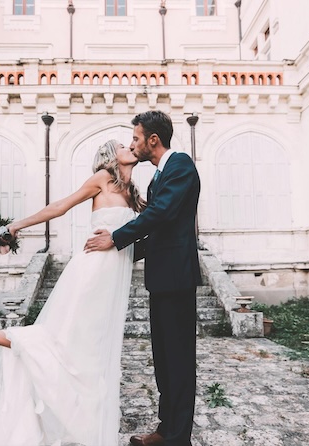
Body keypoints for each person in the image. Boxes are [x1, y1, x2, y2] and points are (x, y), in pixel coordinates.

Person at [0, 139, 145, 446]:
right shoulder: (102, 178)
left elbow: (151, 224)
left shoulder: (133, 193)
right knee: (59, 340)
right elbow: (60, 206)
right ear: (110, 156)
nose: (129, 145)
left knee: (87, 352)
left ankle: (76, 425)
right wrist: (16, 226)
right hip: (91, 272)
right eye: (122, 144)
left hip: (112, 281)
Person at [85, 110, 201, 446]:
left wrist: (116, 238)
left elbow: (160, 213)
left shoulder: (180, 165)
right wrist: (117, 257)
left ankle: (178, 439)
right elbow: (160, 232)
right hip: (161, 278)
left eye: (136, 138)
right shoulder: (158, 176)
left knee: (179, 361)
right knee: (164, 361)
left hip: (177, 279)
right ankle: (166, 430)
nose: (133, 144)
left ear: (153, 139)